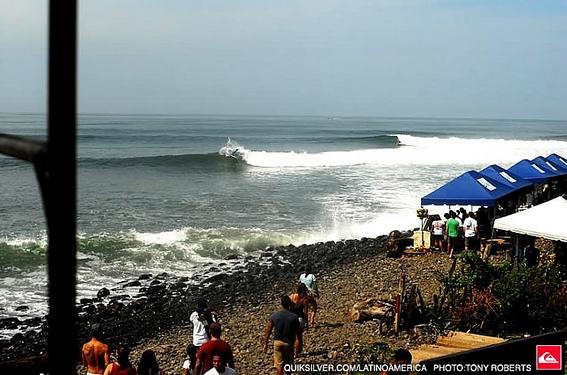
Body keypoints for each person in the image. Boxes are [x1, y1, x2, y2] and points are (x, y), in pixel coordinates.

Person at [263, 295, 302, 375]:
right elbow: (299, 334)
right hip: (289, 343)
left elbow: (268, 330)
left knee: (279, 366)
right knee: (288, 366)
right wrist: (299, 345)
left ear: (281, 304)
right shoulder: (294, 317)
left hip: (277, 343)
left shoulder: (274, 315)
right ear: (290, 304)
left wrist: (265, 343)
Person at [189, 298, 217, 373]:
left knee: (199, 358)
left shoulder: (193, 314)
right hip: (206, 339)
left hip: (196, 340)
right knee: (207, 359)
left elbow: (192, 321)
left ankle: (197, 371)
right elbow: (213, 325)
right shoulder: (209, 313)